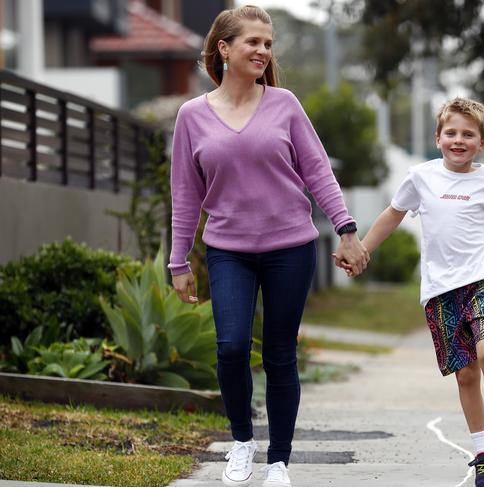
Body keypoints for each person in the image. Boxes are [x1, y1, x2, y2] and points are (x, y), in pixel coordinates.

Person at [168, 6, 369, 487]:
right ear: (224, 48)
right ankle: (242, 442)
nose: (262, 51)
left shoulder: (285, 105)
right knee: (231, 346)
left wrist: (346, 228)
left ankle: (278, 462)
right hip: (228, 249)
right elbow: (184, 195)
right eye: (253, 42)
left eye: (268, 44)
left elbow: (318, 171)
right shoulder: (191, 117)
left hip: (290, 248)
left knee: (280, 354)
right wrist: (178, 260)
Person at [338, 98, 484, 487]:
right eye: (451, 133)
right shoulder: (421, 177)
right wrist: (365, 249)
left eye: (468, 134)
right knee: (466, 374)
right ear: (438, 138)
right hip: (440, 290)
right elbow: (393, 214)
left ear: (482, 141)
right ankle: (481, 454)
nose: (459, 140)